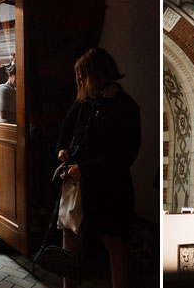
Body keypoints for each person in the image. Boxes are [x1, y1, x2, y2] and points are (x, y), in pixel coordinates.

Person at [56, 47, 140, 288]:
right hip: (79, 183)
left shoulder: (126, 107)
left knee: (114, 242)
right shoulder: (86, 101)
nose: (80, 82)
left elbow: (125, 155)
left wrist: (86, 169)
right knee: (70, 236)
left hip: (110, 187)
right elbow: (67, 126)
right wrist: (62, 148)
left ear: (98, 74)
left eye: (83, 76)